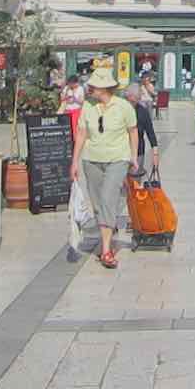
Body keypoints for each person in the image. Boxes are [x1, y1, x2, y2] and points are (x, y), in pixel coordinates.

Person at [69, 67, 138, 269]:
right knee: (98, 203)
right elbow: (81, 134)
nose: (89, 87)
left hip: (118, 158)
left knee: (108, 198)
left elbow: (133, 131)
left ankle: (106, 249)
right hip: (91, 160)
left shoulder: (124, 107)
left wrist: (133, 156)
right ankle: (108, 228)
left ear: (105, 88)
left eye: (94, 85)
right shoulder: (88, 107)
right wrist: (74, 162)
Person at [128, 83, 160, 172]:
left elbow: (150, 132)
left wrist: (155, 154)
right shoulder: (120, 110)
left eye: (137, 99)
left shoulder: (143, 111)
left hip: (139, 151)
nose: (133, 103)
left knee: (136, 180)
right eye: (131, 100)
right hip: (120, 152)